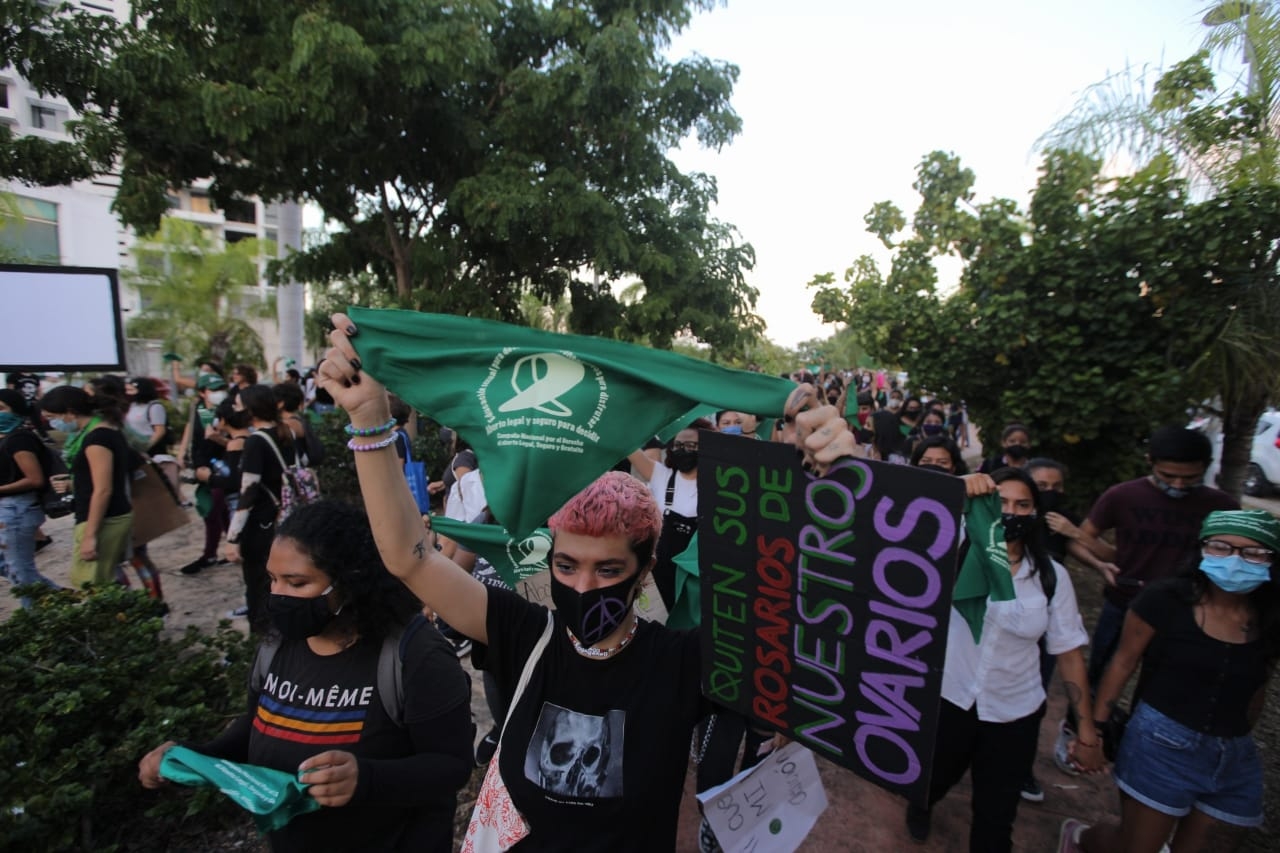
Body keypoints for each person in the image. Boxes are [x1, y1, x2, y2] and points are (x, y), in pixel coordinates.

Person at [315, 313, 853, 851]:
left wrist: (844, 488)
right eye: (567, 566)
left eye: (610, 570)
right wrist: (369, 418)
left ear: (644, 571)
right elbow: (409, 559)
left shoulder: (683, 664)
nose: (584, 586)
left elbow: (812, 628)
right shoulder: (524, 633)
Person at [138, 500, 474, 852]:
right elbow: (257, 724)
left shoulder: (415, 655)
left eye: (297, 583)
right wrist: (195, 758)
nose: (278, 596)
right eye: (272, 579)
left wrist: (367, 779)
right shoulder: (277, 645)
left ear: (351, 582)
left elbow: (450, 766)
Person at [906, 466, 1103, 852]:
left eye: (1022, 505)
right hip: (952, 700)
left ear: (1035, 513)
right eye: (1001, 503)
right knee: (934, 779)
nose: (1010, 512)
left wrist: (1087, 729)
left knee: (996, 817)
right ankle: (922, 805)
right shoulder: (949, 552)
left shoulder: (1052, 578)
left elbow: (1069, 655)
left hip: (1014, 713)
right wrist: (954, 489)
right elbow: (905, 515)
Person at [1063, 510, 1280, 853]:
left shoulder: (1270, 616)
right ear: (1202, 549)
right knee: (1135, 846)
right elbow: (1122, 664)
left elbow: (1260, 682)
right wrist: (1096, 733)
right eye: (1221, 547)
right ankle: (1082, 838)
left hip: (1235, 752)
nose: (1235, 561)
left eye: (1253, 553)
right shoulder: (1165, 600)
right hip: (1162, 743)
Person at [1075, 425, 1239, 690]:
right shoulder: (1122, 496)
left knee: (1165, 683)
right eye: (1168, 476)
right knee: (1103, 671)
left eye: (1190, 478)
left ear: (1206, 466)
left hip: (1187, 609)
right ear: (1150, 461)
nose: (1178, 485)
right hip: (1124, 602)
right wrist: (1101, 564)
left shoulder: (1223, 507)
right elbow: (1084, 536)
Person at [41, 381, 135, 588]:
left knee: (90, 584)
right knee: (105, 584)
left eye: (52, 417)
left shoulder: (97, 438)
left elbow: (103, 489)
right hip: (107, 515)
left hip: (105, 518)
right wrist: (73, 483)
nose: (51, 424)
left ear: (69, 412)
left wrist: (90, 536)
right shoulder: (102, 430)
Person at [224, 384, 296, 629]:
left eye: (238, 405)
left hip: (263, 523)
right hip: (286, 517)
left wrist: (233, 537)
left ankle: (262, 643)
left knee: (258, 586)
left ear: (250, 410)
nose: (235, 409)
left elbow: (248, 491)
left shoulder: (256, 441)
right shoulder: (286, 431)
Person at [626, 419, 710, 611]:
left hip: (694, 574)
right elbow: (629, 448)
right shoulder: (661, 476)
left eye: (691, 445)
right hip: (660, 571)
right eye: (678, 445)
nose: (683, 450)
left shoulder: (714, 485)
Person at [0, 389, 56, 605]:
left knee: (21, 571)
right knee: (16, 569)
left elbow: (35, 479)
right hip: (9, 510)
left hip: (18, 510)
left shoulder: (20, 440)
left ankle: (37, 623)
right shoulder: (6, 438)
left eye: (2, 408)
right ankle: (62, 597)